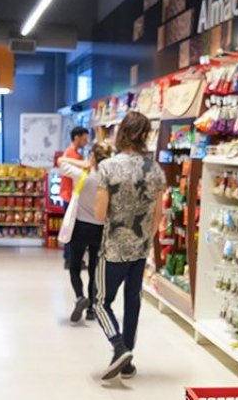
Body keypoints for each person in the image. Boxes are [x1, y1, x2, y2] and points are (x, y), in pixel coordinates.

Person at [93, 112, 165, 380]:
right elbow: (158, 215)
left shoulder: (109, 167)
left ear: (122, 132)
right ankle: (127, 360)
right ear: (145, 135)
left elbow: (100, 215)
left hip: (113, 248)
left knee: (100, 302)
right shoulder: (155, 169)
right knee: (132, 300)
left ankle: (119, 346)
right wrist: (145, 238)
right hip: (140, 248)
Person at [57, 141, 113, 323]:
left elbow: (61, 161)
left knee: (74, 267)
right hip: (100, 228)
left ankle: (80, 297)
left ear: (93, 157)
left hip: (80, 227)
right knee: (94, 270)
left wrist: (84, 164)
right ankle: (91, 310)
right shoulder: (110, 180)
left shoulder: (81, 175)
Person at [59, 126, 89, 269]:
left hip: (70, 195)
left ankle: (71, 259)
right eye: (84, 138)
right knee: (71, 229)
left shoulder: (73, 153)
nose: (86, 141)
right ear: (76, 138)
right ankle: (70, 260)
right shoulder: (72, 154)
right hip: (70, 196)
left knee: (70, 228)